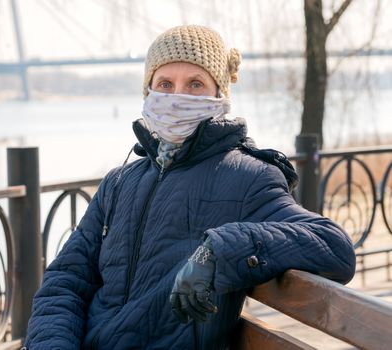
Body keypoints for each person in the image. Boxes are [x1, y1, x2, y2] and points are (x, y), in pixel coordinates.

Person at [23, 25, 355, 350]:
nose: (177, 96)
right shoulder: (119, 183)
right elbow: (65, 283)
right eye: (165, 83)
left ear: (219, 95)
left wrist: (221, 251)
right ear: (148, 92)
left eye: (195, 84)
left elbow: (334, 247)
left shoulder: (248, 177)